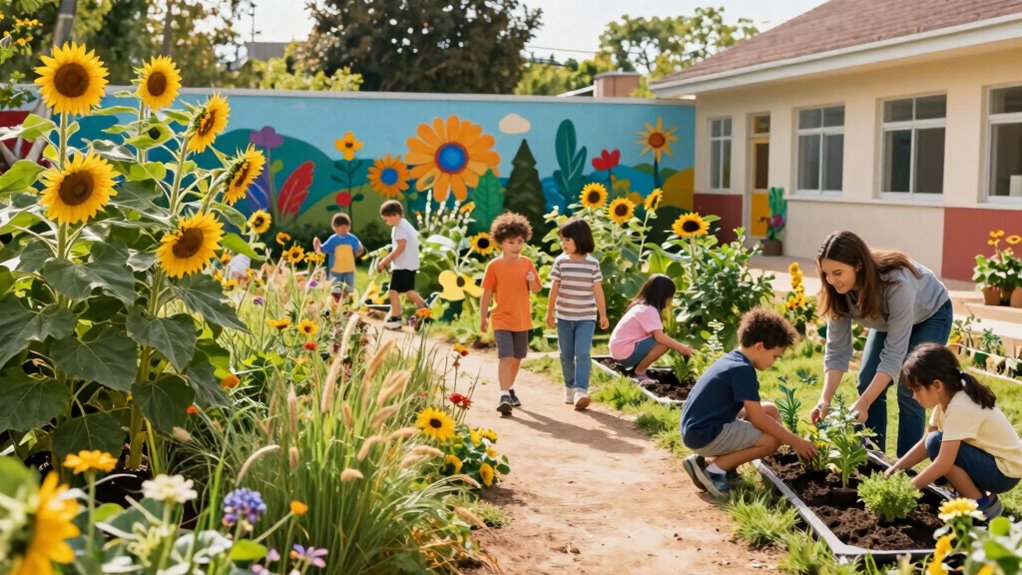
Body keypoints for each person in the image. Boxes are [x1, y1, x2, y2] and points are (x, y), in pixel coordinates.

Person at [809, 230, 953, 457]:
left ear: (858, 265)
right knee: (867, 382)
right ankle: (874, 459)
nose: (831, 280)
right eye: (826, 273)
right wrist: (824, 400)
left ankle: (904, 470)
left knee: (910, 389)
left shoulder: (897, 283)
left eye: (838, 272)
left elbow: (893, 356)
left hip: (930, 314)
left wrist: (864, 402)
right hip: (888, 321)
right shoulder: (837, 290)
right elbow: (837, 350)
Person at [681, 308, 816, 498]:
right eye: (775, 356)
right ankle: (716, 470)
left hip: (697, 427)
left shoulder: (733, 360)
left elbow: (760, 413)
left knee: (770, 409)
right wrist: (795, 441)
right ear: (759, 347)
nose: (774, 362)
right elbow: (757, 419)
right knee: (771, 441)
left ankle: (705, 461)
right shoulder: (743, 370)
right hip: (704, 434)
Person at [885, 343, 1022, 520]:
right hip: (996, 464)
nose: (914, 396)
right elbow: (925, 442)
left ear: (936, 385)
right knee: (934, 441)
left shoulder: (959, 406)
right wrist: (895, 468)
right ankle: (971, 493)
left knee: (937, 444)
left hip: (1004, 472)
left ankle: (982, 504)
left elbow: (943, 462)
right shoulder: (948, 397)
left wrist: (906, 490)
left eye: (916, 389)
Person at [480, 212, 542, 415]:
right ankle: (504, 394)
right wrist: (483, 317)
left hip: (522, 319)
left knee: (517, 358)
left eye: (519, 242)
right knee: (505, 357)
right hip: (501, 318)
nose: (516, 246)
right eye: (510, 242)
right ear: (500, 242)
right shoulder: (494, 266)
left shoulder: (526, 263)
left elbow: (537, 289)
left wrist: (532, 279)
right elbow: (487, 293)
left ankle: (510, 388)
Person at [545, 219, 609, 410]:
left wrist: (603, 314)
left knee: (582, 353)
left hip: (586, 317)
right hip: (564, 316)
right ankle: (569, 387)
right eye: (562, 240)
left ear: (580, 239)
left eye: (567, 240)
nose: (563, 244)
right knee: (566, 354)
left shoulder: (592, 264)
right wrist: (550, 311)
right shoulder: (561, 261)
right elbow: (554, 287)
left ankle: (581, 390)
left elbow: (598, 290)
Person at [608, 274, 694, 383]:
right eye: (670, 297)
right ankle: (639, 373)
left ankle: (638, 369)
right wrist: (683, 349)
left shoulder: (641, 307)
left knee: (663, 340)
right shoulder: (649, 310)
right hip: (624, 353)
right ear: (663, 296)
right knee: (663, 343)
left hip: (619, 350)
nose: (670, 301)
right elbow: (660, 338)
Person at [375, 200, 428, 329]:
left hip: (402, 265)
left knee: (392, 292)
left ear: (394, 215)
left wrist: (384, 261)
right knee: (409, 292)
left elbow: (400, 247)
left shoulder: (398, 228)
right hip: (410, 263)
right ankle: (424, 308)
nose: (386, 222)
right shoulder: (406, 224)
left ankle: (396, 319)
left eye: (386, 219)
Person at [312, 212, 365, 296]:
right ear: (335, 227)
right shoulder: (333, 240)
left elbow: (358, 248)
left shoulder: (352, 238)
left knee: (349, 289)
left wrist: (359, 250)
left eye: (347, 229)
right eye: (343, 229)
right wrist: (317, 245)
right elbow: (323, 250)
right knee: (336, 289)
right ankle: (336, 304)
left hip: (349, 269)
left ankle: (346, 304)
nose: (345, 231)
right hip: (335, 270)